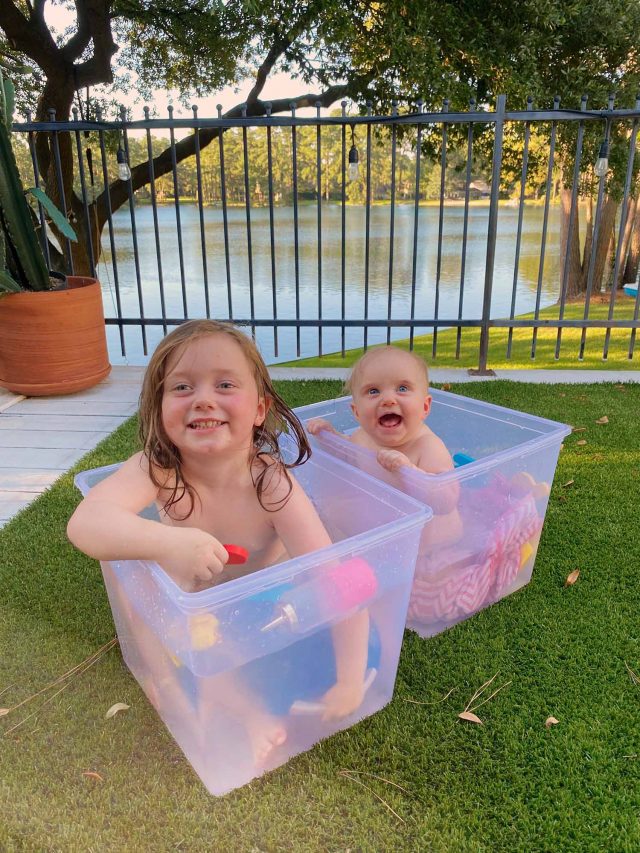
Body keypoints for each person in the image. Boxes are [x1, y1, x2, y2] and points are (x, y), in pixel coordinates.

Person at [67, 319, 369, 764]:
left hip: (265, 600)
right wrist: (168, 544)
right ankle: (171, 687)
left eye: (225, 384)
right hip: (195, 597)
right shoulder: (159, 469)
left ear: (260, 409)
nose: (203, 399)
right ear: (159, 408)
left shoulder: (269, 481)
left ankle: (236, 706)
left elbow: (334, 579)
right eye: (182, 388)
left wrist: (349, 680)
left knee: (228, 643)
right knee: (136, 578)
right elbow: (86, 523)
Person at [306, 346, 462, 550]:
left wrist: (409, 473)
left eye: (402, 389)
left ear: (425, 407)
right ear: (357, 412)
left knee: (431, 574)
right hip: (388, 530)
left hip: (433, 543)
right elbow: (348, 457)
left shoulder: (427, 446)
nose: (388, 399)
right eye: (373, 391)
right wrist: (329, 437)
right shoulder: (362, 436)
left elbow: (447, 501)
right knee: (330, 510)